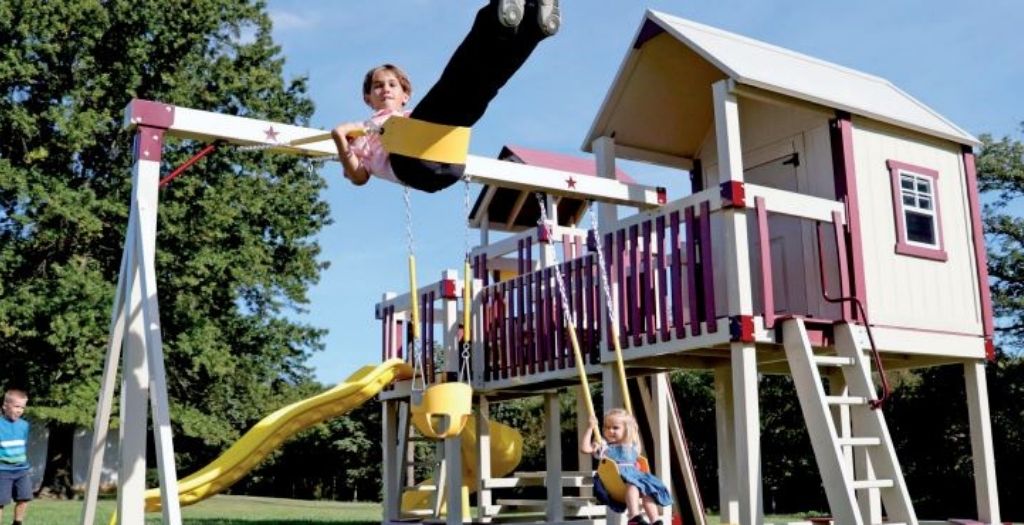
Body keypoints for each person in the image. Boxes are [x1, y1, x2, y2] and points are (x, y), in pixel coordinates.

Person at [332, 0, 559, 193]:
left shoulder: (410, 117)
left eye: (392, 84)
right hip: (411, 164)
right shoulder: (360, 133)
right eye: (377, 86)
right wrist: (340, 139)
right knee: (456, 79)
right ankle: (496, 17)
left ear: (405, 96)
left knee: (483, 84)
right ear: (367, 98)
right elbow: (359, 177)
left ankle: (532, 27)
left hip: (446, 159)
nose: (385, 89)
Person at [581, 408, 672, 525]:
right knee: (633, 485)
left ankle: (655, 520)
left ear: (626, 429)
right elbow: (585, 449)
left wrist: (634, 429)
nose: (610, 431)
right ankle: (634, 517)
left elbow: (637, 447)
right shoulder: (603, 446)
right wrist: (590, 428)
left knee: (648, 491)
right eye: (607, 427)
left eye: (615, 428)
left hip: (634, 476)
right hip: (616, 479)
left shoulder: (631, 444)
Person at [0, 389, 31, 525]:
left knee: (24, 498)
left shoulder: (24, 425)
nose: (19, 410)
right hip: (2, 470)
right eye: (16, 406)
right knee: (0, 502)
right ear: (5, 406)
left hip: (21, 470)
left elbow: (23, 443)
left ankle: (17, 523)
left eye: (22, 407)